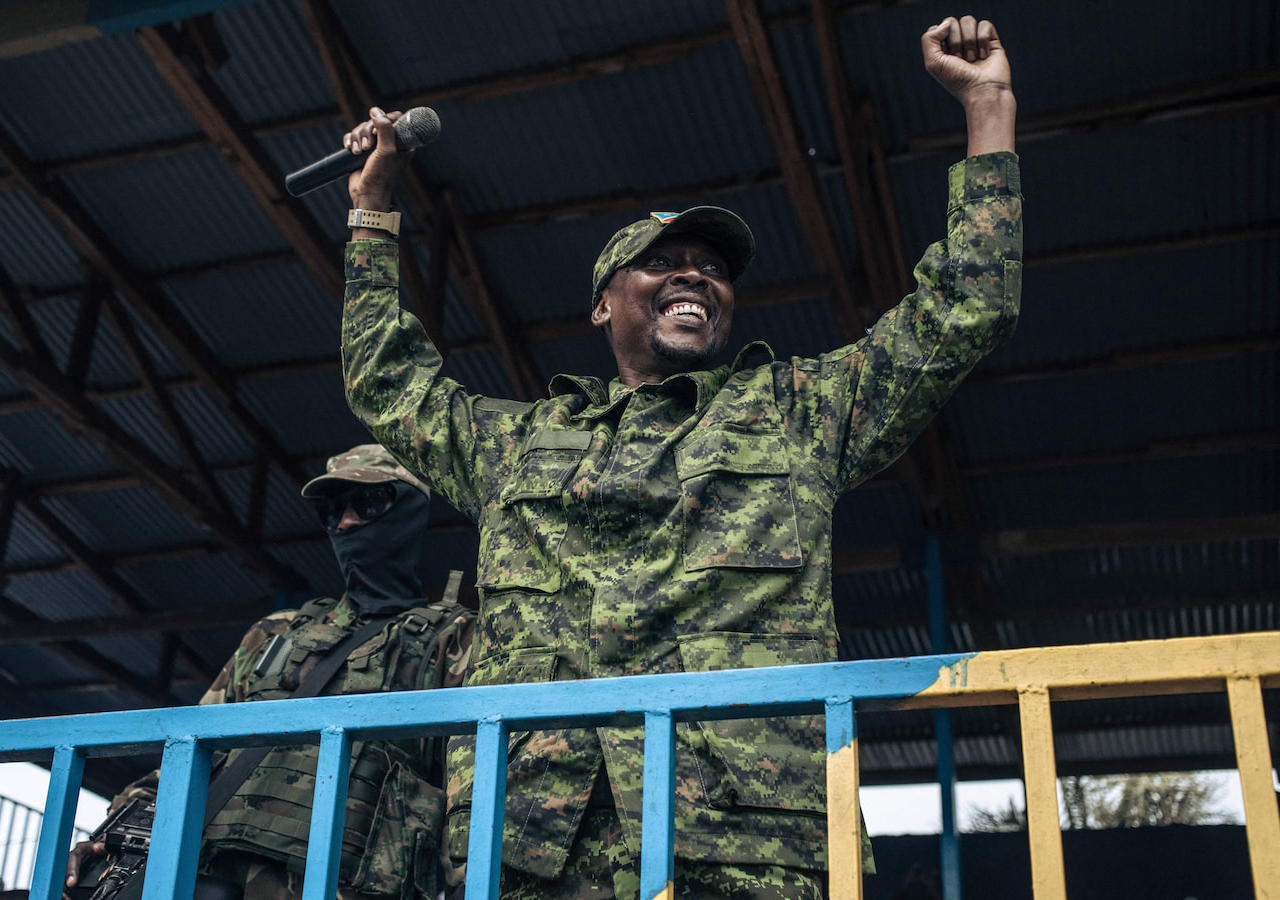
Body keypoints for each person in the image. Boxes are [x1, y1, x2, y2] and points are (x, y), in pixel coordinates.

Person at [337, 13, 1020, 899]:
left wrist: (988, 110)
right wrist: (373, 211)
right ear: (603, 304)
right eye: (662, 262)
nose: (695, 275)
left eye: (713, 268)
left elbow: (961, 310)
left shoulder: (797, 414)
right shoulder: (514, 447)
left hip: (744, 850)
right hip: (534, 851)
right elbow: (387, 380)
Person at [65, 445, 476, 900]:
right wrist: (112, 836)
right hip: (214, 878)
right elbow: (189, 753)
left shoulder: (452, 640)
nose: (345, 523)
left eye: (367, 503)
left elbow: (469, 794)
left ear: (410, 511)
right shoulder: (276, 633)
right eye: (331, 510)